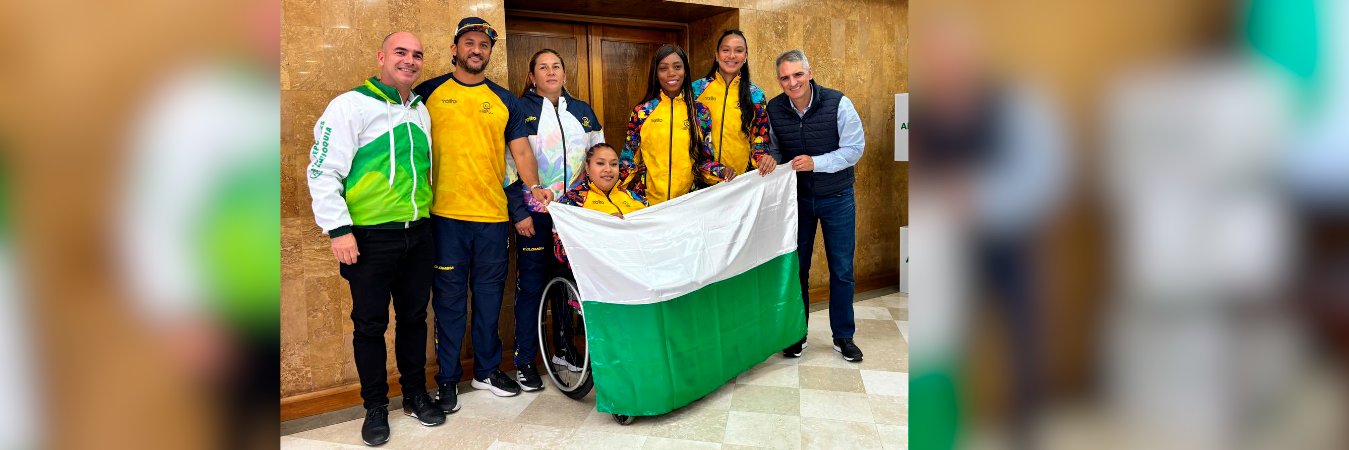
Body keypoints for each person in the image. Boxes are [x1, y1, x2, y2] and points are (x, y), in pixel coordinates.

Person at [305, 31, 444, 446]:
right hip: (367, 239)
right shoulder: (350, 105)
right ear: (382, 57)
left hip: (419, 233)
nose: (410, 61)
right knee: (369, 326)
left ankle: (416, 394)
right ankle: (375, 407)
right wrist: (339, 229)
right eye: (401, 52)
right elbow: (323, 170)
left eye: (418, 55)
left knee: (415, 319)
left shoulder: (420, 111)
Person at [411, 18, 553, 408]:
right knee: (449, 302)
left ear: (491, 52)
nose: (477, 50)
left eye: (484, 45)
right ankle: (448, 379)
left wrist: (534, 187)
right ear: (455, 48)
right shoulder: (428, 92)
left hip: (492, 217)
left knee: (491, 300)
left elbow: (521, 152)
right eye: (469, 43)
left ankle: (488, 371)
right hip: (444, 218)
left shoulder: (506, 100)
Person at [502, 48, 605, 390]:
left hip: (573, 218)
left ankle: (563, 350)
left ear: (564, 73)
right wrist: (519, 212)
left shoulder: (583, 112)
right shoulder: (520, 110)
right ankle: (524, 362)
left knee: (568, 286)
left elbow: (598, 161)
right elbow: (509, 167)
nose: (550, 72)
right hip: (534, 216)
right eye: (542, 68)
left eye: (556, 66)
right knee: (531, 287)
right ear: (531, 76)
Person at [767, 49, 866, 362]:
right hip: (797, 202)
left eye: (797, 74)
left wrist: (816, 163)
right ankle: (798, 334)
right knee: (798, 268)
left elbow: (854, 149)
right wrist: (769, 158)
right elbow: (774, 149)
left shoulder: (839, 103)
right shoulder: (774, 108)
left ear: (809, 73)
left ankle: (843, 336)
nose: (792, 82)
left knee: (842, 269)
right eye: (785, 77)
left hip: (837, 198)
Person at [619, 44, 734, 205]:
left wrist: (721, 171)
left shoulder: (700, 113)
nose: (671, 73)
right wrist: (609, 196)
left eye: (677, 67)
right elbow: (627, 161)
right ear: (656, 74)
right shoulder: (642, 112)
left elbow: (703, 161)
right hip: (647, 205)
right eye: (663, 68)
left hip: (687, 204)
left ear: (685, 71)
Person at [692, 30, 777, 179]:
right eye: (726, 50)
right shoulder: (695, 91)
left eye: (738, 51)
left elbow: (759, 140)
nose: (731, 56)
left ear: (746, 56)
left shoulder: (756, 95)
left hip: (739, 181)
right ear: (717, 55)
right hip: (699, 180)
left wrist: (763, 159)